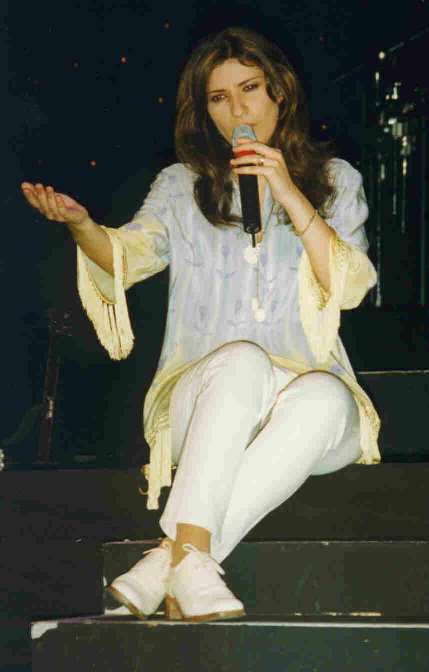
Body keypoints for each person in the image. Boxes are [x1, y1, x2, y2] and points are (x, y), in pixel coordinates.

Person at [21, 26, 381, 624]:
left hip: (308, 409)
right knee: (241, 361)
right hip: (208, 398)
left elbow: (349, 286)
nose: (238, 109)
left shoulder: (336, 180)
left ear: (280, 93)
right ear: (206, 110)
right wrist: (82, 226)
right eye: (219, 97)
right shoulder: (180, 185)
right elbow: (127, 256)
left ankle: (170, 562)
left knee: (325, 396)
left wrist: (288, 191)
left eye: (250, 89)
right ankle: (188, 562)